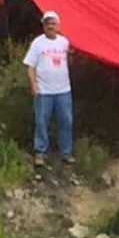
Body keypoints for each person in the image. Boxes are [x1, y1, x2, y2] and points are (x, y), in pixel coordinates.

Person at [23, 10, 74, 167]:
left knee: (66, 121)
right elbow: (30, 66)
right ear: (43, 26)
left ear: (58, 25)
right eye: (47, 24)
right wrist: (33, 85)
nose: (50, 26)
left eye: (53, 23)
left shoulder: (64, 42)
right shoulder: (38, 43)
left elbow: (71, 58)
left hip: (63, 90)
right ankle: (40, 152)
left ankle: (66, 152)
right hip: (44, 90)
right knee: (41, 121)